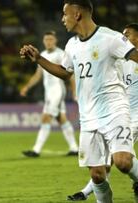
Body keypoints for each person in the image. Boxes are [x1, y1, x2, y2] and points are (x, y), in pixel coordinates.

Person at [19, 0, 138, 202]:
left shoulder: (111, 38)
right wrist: (39, 59)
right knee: (97, 175)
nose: (62, 18)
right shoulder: (72, 44)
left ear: (78, 14)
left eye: (65, 14)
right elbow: (65, 73)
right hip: (89, 116)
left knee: (123, 162)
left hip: (115, 110)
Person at [67, 22, 138, 201]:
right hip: (118, 114)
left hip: (131, 116)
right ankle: (86, 191)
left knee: (120, 160)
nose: (124, 37)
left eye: (128, 34)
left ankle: (85, 192)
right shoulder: (119, 59)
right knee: (108, 163)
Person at [20, 31, 78, 157]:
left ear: (55, 41)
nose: (49, 42)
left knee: (46, 118)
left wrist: (74, 91)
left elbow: (70, 75)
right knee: (61, 119)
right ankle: (74, 148)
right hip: (49, 92)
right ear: (43, 41)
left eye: (51, 39)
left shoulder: (61, 54)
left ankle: (36, 150)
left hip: (57, 91)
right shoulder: (42, 55)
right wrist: (26, 87)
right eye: (46, 39)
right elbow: (38, 75)